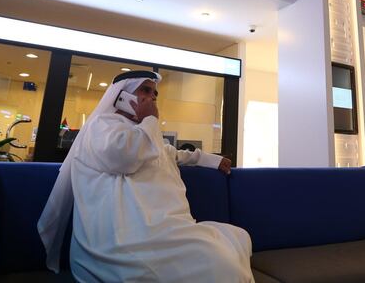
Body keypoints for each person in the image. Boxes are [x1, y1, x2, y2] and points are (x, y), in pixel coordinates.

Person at [38, 70, 254, 282]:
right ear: (123, 95)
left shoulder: (144, 131)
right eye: (146, 90)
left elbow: (172, 153)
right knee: (219, 263)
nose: (152, 97)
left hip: (163, 226)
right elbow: (124, 157)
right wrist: (150, 120)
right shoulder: (102, 125)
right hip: (125, 238)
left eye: (155, 94)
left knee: (238, 237)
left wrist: (212, 160)